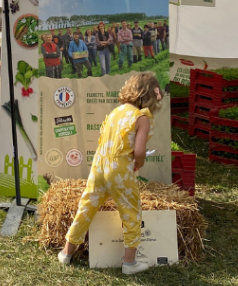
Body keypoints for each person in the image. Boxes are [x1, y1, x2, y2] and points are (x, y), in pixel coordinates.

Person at [58, 72, 162, 275]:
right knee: (131, 212)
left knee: (86, 208)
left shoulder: (116, 112)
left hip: (99, 168)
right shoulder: (142, 118)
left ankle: (66, 253)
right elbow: (139, 151)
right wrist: (139, 162)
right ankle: (129, 263)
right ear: (150, 96)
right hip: (120, 172)